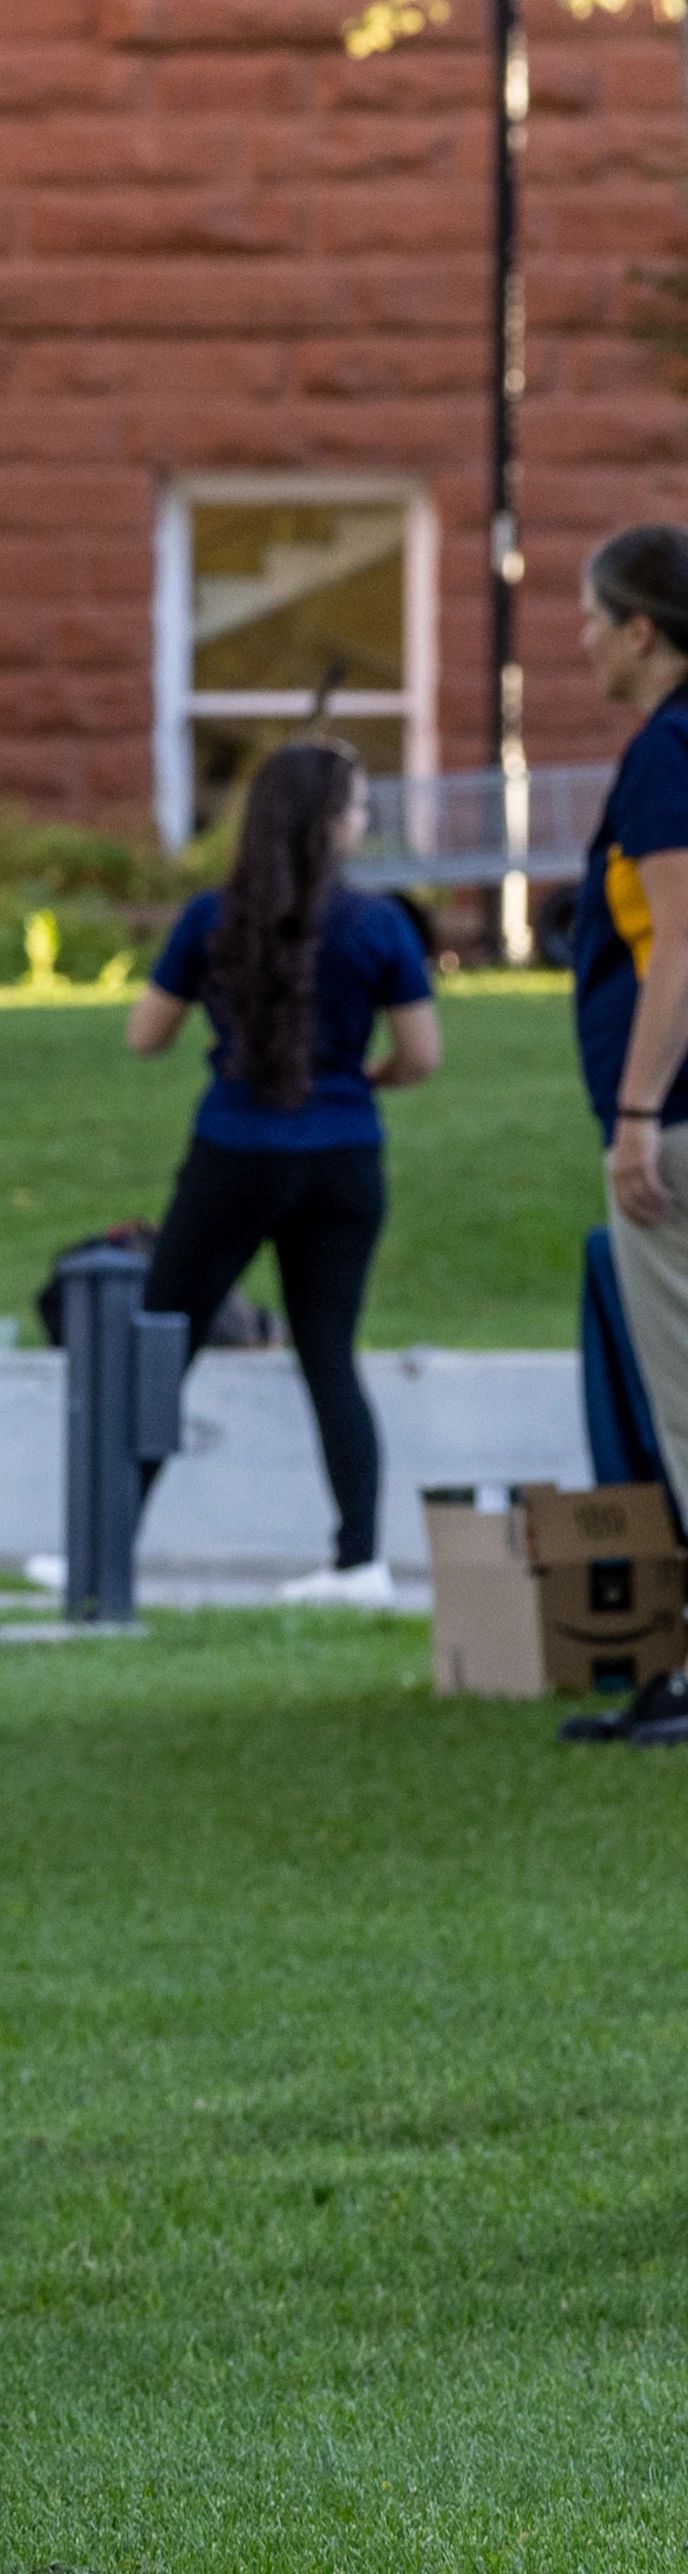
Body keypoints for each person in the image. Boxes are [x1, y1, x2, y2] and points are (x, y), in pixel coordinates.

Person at [123, 740, 440, 1607]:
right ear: (332, 825)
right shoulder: (380, 926)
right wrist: (360, 1079)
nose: (365, 819)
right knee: (329, 1352)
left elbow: (143, 1035)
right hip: (344, 1159)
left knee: (165, 1339)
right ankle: (359, 1561)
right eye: (358, 806)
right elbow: (421, 1054)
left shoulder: (210, 920)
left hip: (236, 1150)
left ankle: (107, 1543)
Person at [563, 522, 688, 1744]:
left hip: (680, 1126)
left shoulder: (666, 752)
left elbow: (681, 943)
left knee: (684, 1398)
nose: (581, 637)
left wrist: (638, 1112)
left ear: (641, 631)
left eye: (594, 615)